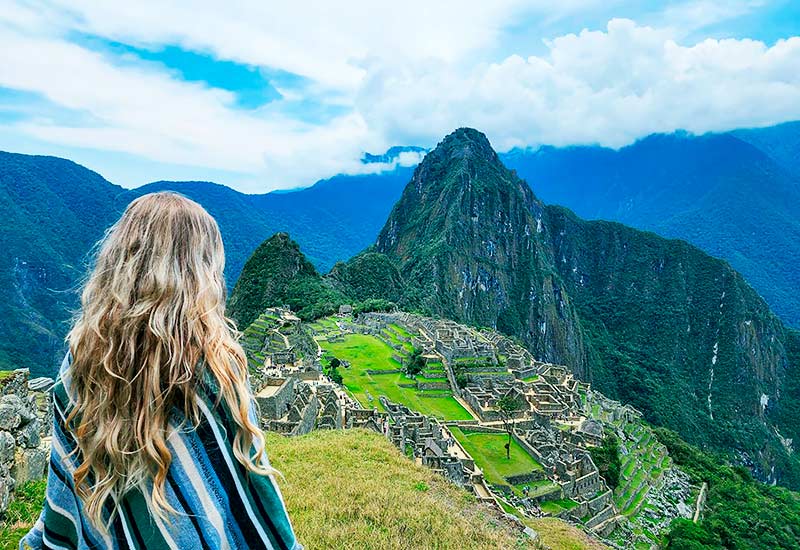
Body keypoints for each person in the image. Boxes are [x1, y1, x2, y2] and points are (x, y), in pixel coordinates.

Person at [21, 192, 301, 550]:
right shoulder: (216, 370)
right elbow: (250, 499)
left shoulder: (79, 364)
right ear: (201, 272)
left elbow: (66, 499)